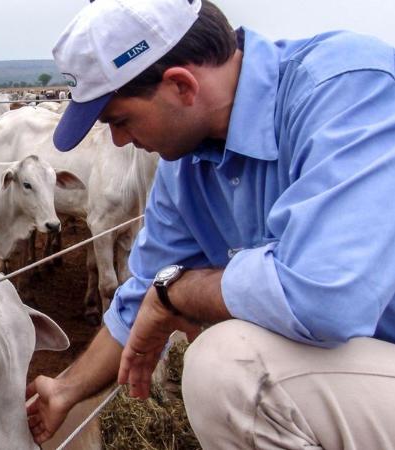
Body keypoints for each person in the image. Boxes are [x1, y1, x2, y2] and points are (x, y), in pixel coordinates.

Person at [26, 0, 395, 448]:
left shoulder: (347, 90)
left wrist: (179, 291)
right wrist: (64, 390)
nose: (119, 140)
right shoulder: (186, 169)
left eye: (119, 120)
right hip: (363, 373)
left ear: (181, 85)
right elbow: (143, 297)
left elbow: (323, 296)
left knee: (226, 365)